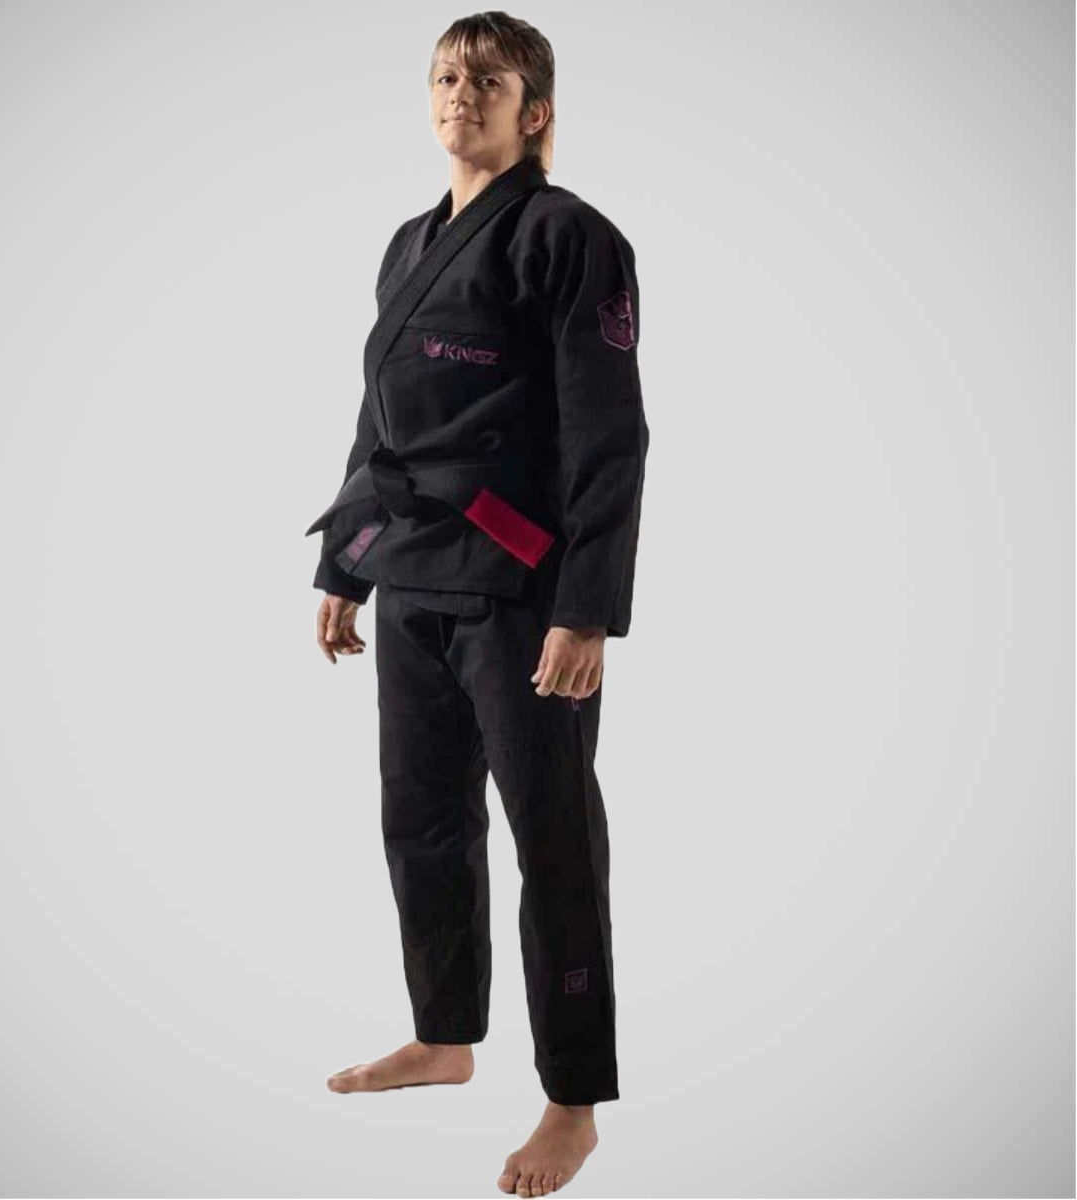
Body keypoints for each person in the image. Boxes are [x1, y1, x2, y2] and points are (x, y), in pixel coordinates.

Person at [306, 12, 648, 1197]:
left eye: (488, 80)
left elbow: (610, 433)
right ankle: (445, 1036)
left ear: (533, 110)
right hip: (413, 575)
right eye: (447, 75)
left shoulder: (571, 237)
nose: (462, 93)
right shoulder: (409, 244)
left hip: (522, 590)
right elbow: (383, 425)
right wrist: (346, 560)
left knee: (554, 839)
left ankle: (574, 1101)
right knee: (421, 819)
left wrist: (586, 611)